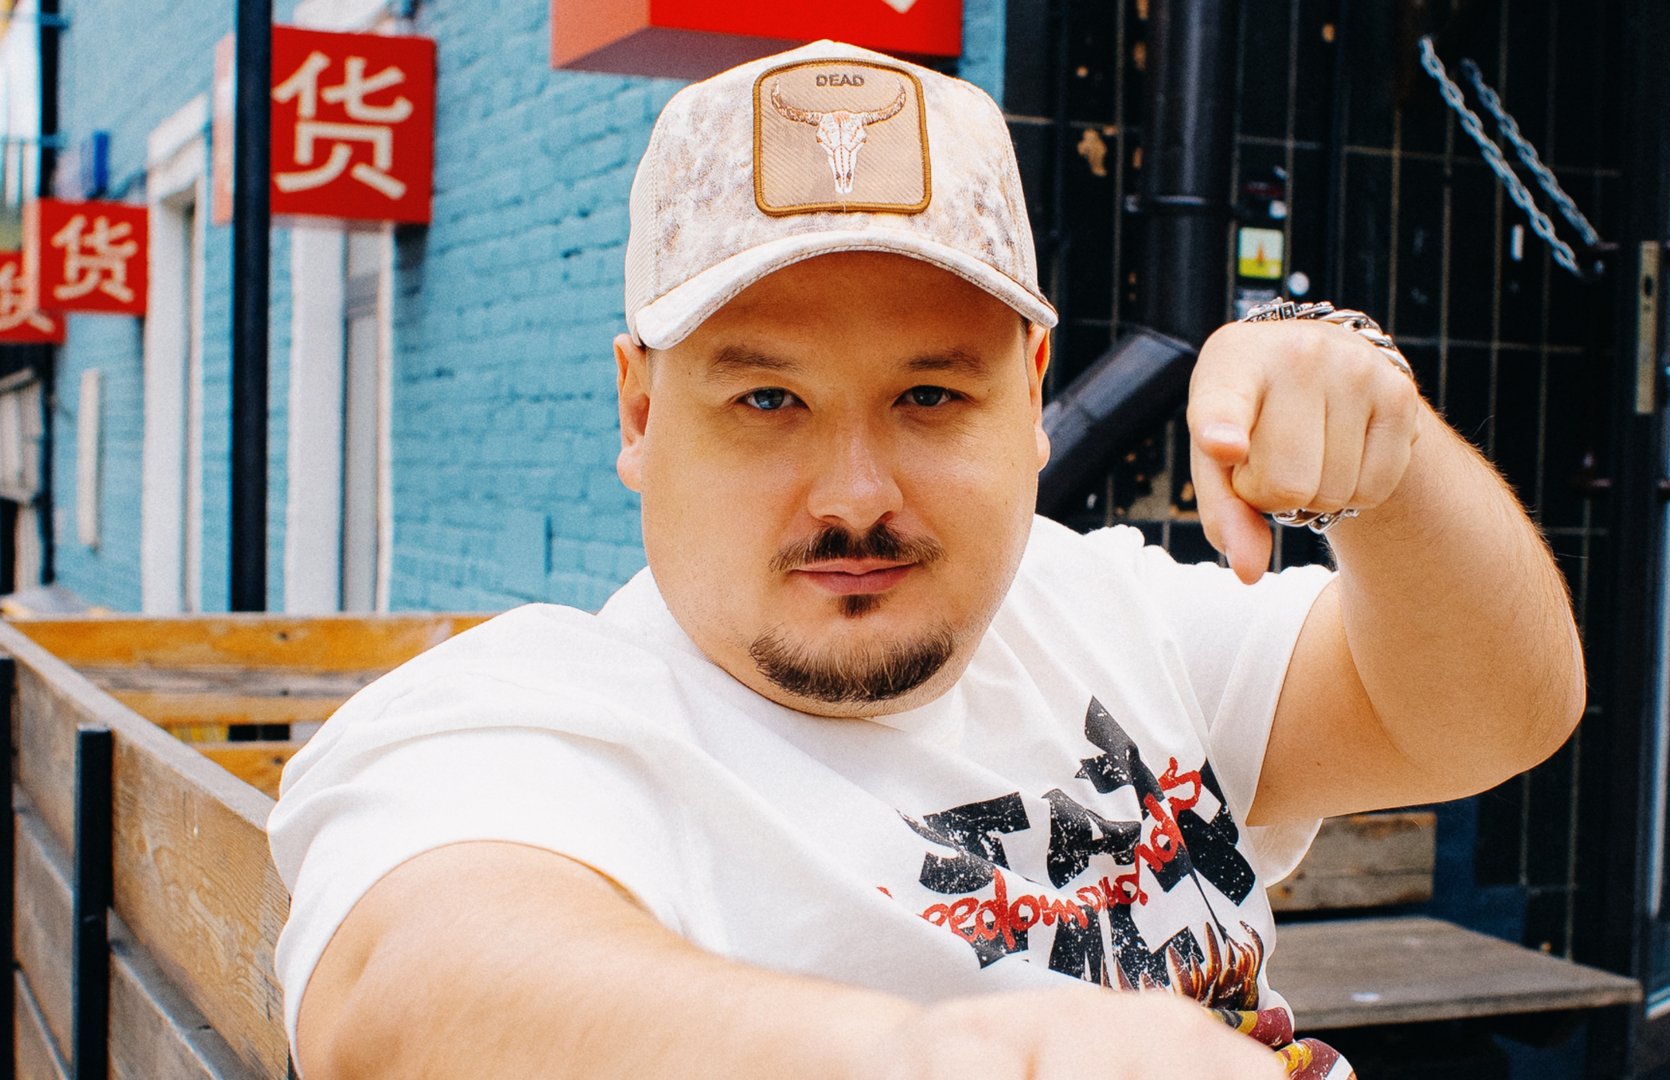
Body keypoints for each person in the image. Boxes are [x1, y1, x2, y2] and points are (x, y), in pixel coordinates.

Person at [270, 38, 1585, 1080]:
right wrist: (954, 1059)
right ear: (642, 413)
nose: (856, 495)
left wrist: (1393, 467)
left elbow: (1493, 715)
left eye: (930, 397)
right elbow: (408, 991)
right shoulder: (544, 719)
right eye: (768, 399)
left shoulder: (1105, 612)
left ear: (1031, 391)